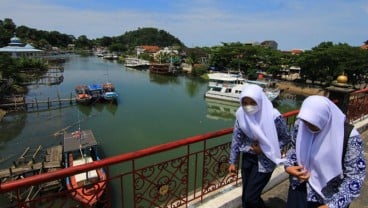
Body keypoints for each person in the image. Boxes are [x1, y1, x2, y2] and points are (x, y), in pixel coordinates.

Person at [284, 95, 366, 208]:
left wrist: (333, 205)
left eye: (313, 123)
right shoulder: (301, 125)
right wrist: (288, 166)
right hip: (299, 188)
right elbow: (294, 147)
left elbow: (355, 176)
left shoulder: (349, 136)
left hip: (329, 197)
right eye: (305, 121)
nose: (308, 126)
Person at [228, 84, 291, 208]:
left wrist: (264, 149)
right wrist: (232, 161)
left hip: (266, 161)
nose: (248, 106)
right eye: (245, 103)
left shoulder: (273, 116)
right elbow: (237, 138)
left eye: (252, 102)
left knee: (251, 197)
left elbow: (286, 137)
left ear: (260, 100)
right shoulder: (241, 114)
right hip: (247, 158)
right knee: (246, 195)